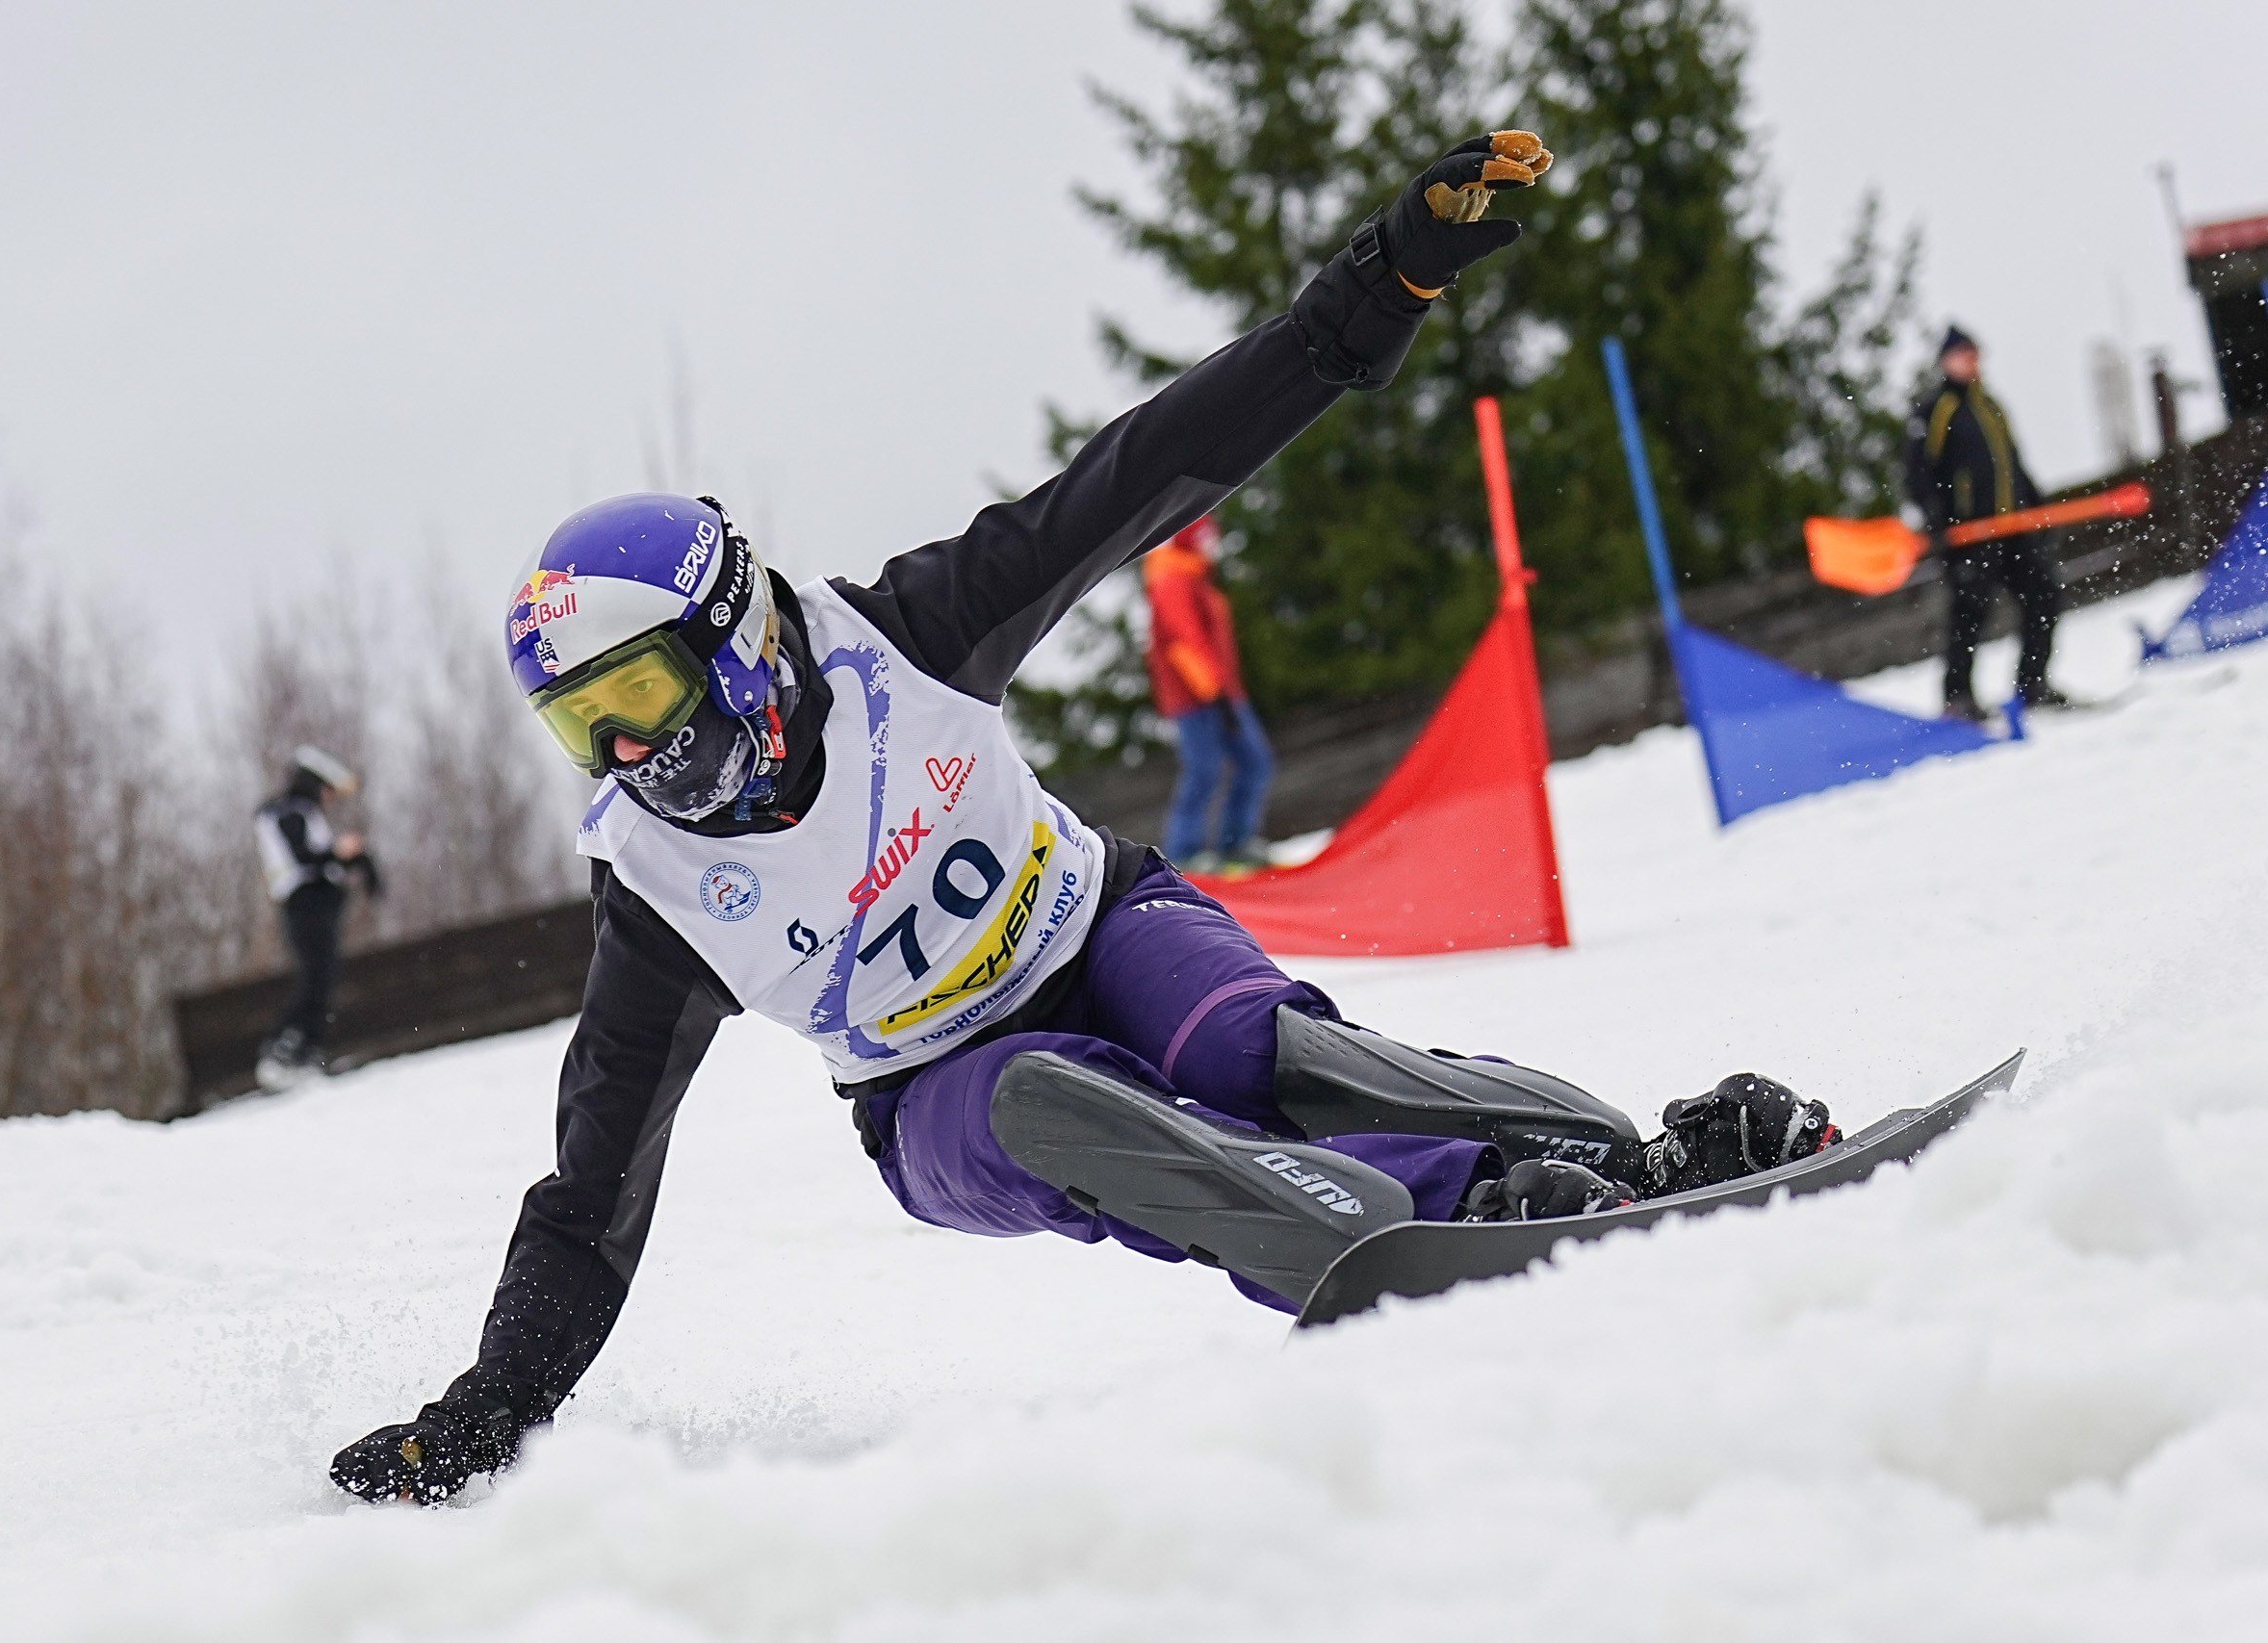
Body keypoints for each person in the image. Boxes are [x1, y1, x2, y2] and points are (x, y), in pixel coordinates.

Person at [330, 132, 1837, 1506]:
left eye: (640, 693)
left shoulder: (905, 636)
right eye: (584, 727)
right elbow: (592, 1191)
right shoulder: (657, 894)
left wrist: (1375, 288)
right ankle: (1476, 1217)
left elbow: (1143, 470)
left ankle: (1634, 1153)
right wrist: (485, 1412)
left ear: (732, 634)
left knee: (1254, 1053)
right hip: (939, 1097)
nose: (631, 751)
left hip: (1103, 919)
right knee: (1070, 1101)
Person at [1904, 326, 2071, 718]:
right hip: (1970, 536)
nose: (1971, 362)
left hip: (2011, 530)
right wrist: (1941, 523)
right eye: (1962, 355)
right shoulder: (1937, 409)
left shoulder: (1991, 407)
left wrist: (2036, 511)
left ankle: (2032, 686)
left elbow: (2012, 464)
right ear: (1946, 362)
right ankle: (1957, 698)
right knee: (1970, 613)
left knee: (2044, 596)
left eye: (1975, 354)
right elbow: (1918, 474)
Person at [1146, 513, 1276, 875]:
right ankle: (1184, 853)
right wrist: (1214, 693)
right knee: (1204, 770)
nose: (1214, 543)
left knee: (1255, 761)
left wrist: (1225, 693)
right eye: (1207, 536)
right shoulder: (1172, 579)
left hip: (1223, 693)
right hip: (1196, 699)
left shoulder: (1195, 576)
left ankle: (1237, 844)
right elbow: (1183, 643)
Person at [253, 745, 380, 1085]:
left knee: (323, 979)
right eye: (325, 789)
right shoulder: (286, 812)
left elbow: (325, 860)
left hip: (319, 905)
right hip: (304, 905)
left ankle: (307, 1052)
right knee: (314, 978)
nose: (329, 798)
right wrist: (343, 854)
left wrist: (361, 864)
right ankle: (281, 1051)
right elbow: (308, 859)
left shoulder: (304, 813)